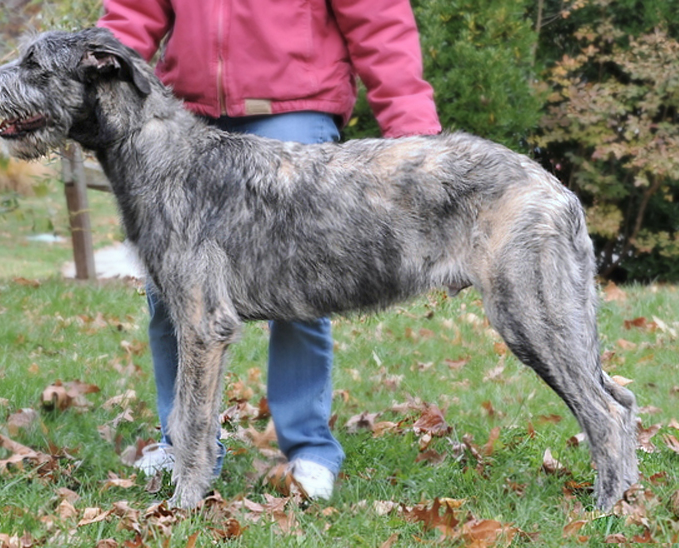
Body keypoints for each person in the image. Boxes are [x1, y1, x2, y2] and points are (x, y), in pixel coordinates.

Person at [97, 0, 441, 500]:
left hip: (292, 108)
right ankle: (183, 444)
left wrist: (414, 133)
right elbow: (131, 14)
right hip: (185, 109)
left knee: (301, 287)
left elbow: (379, 21)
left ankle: (309, 447)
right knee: (171, 294)